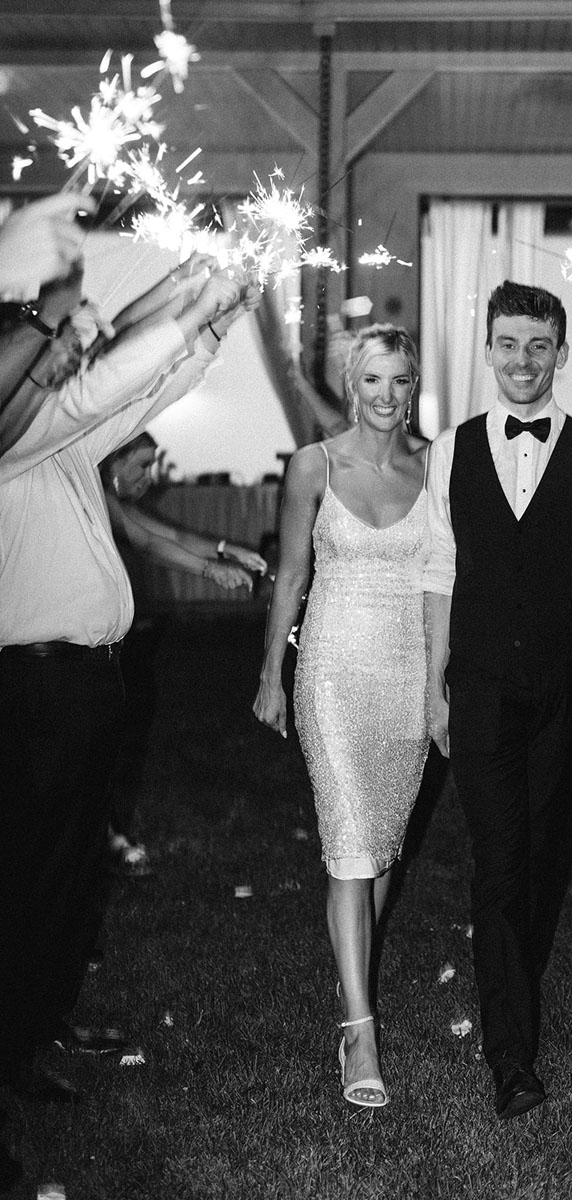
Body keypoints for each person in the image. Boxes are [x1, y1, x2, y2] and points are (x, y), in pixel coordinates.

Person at [0, 258, 256, 1119]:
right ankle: (13, 1047)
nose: (68, 357)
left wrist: (213, 324)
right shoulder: (12, 439)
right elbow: (101, 383)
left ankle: (47, 1017)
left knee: (73, 867)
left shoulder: (61, 441)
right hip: (37, 688)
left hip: (82, 685)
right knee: (34, 872)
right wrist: (191, 311)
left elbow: (132, 396)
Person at [424, 280, 572, 1121]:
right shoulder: (451, 449)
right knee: (500, 859)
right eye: (508, 344)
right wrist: (432, 688)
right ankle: (510, 1057)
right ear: (487, 350)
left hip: (562, 684)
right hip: (477, 682)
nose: (523, 361)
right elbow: (438, 570)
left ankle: (515, 976)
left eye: (539, 346)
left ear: (560, 353)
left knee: (541, 850)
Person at [254, 324, 430, 1109]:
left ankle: (349, 983)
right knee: (349, 848)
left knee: (382, 848)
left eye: (399, 382)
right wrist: (270, 674)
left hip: (409, 676)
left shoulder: (437, 469)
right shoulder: (313, 466)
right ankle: (359, 1031)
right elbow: (290, 576)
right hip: (331, 672)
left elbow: (449, 582)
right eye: (373, 382)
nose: (387, 398)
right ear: (350, 386)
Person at [100, 432, 266, 876]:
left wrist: (227, 550)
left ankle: (109, 833)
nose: (148, 478)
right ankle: (104, 838)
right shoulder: (91, 495)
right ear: (112, 462)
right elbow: (150, 541)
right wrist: (214, 567)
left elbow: (166, 533)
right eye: (140, 466)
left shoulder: (108, 502)